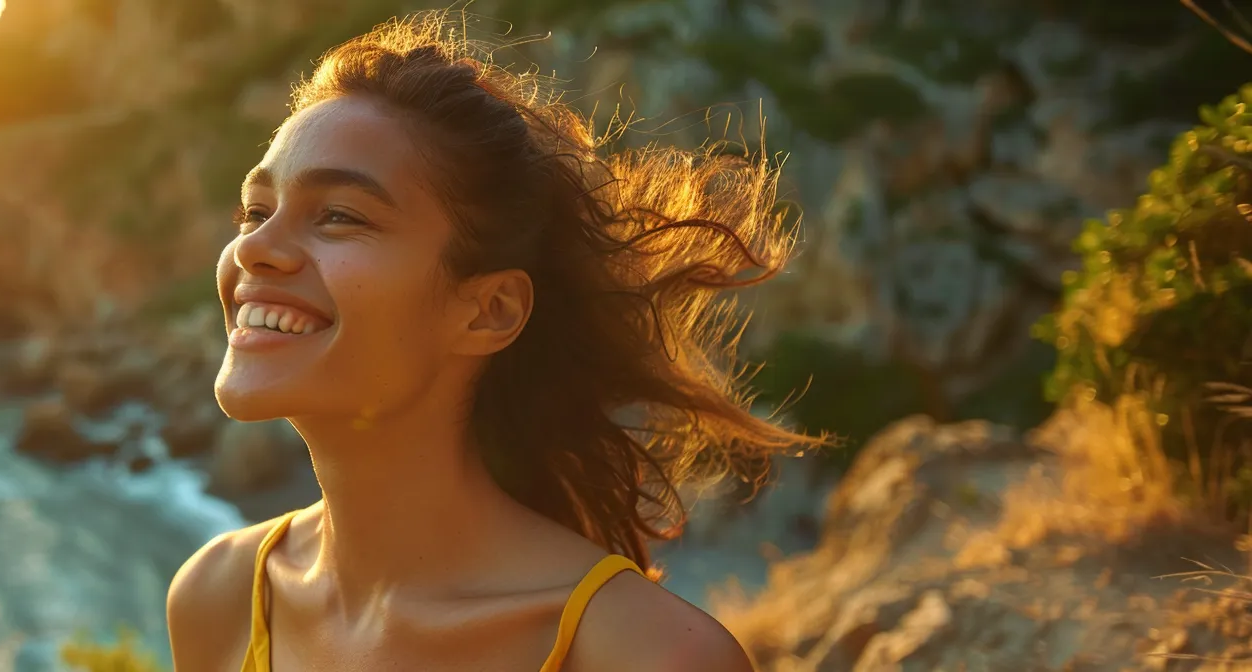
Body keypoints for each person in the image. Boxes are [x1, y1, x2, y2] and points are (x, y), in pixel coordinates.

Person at [167, 10, 816, 671]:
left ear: (489, 311)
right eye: (255, 210)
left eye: (339, 216)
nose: (253, 247)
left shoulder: (645, 655)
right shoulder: (219, 596)